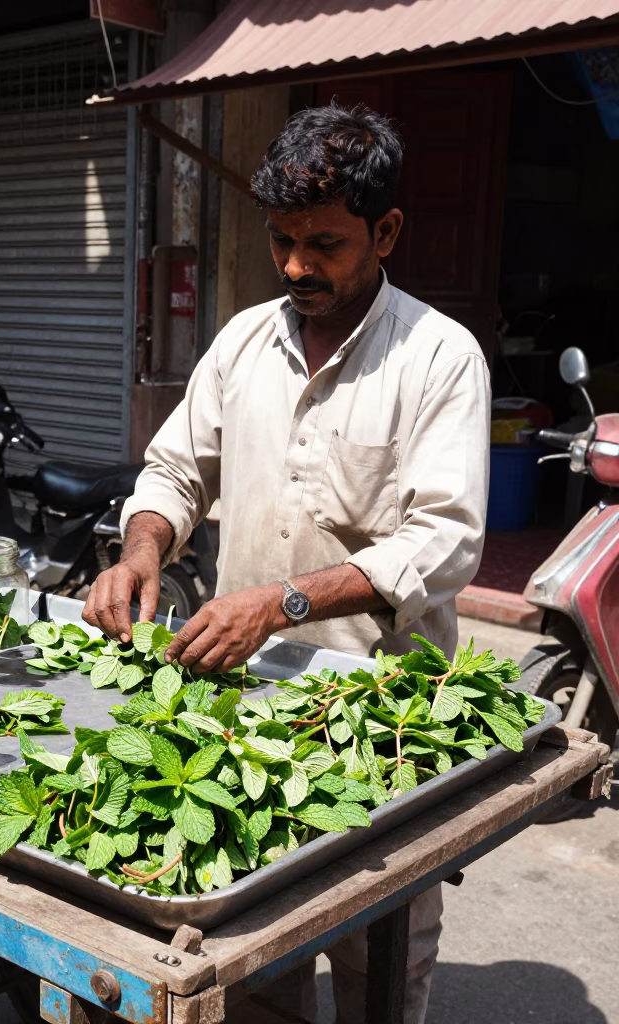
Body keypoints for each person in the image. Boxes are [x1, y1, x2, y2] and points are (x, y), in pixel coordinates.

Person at [82, 103, 490, 1023]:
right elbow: (175, 469)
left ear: (385, 232)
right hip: (246, 705)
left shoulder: (438, 358)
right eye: (282, 241)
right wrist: (141, 547)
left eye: (326, 243)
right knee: (255, 952)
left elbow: (445, 540)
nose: (299, 265)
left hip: (383, 719)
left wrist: (282, 603)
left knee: (379, 953)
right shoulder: (241, 343)